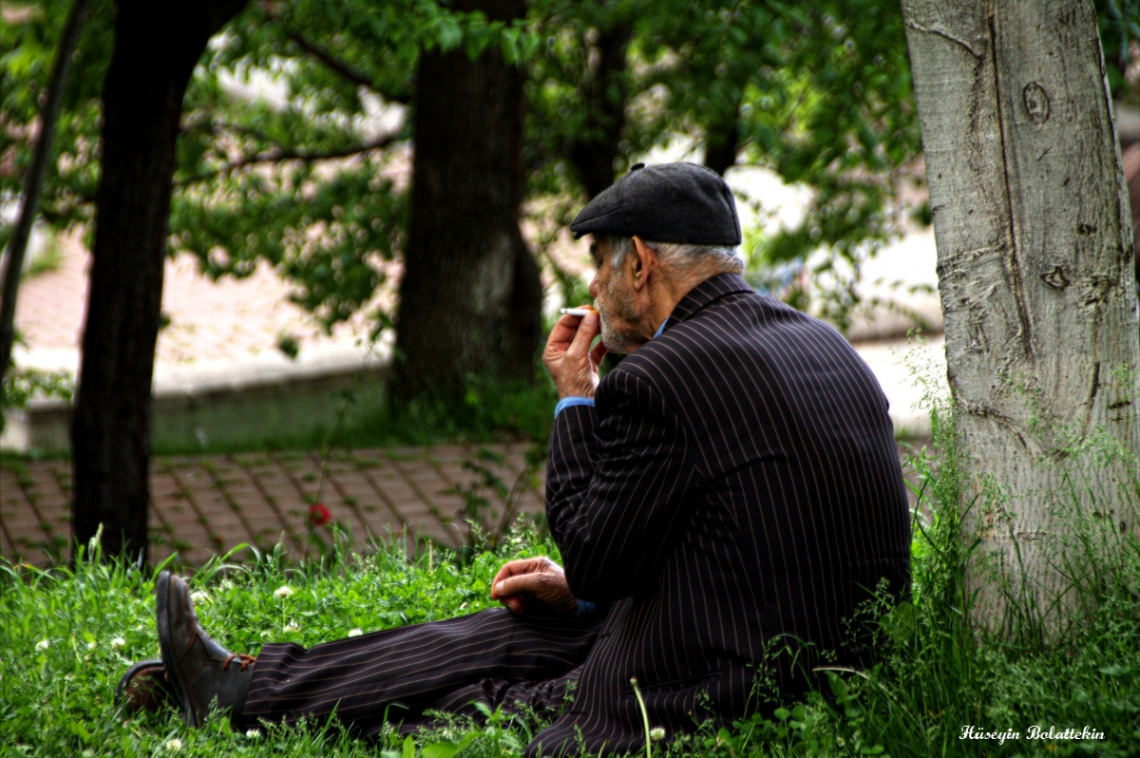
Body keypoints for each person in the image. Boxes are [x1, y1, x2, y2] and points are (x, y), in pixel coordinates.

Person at [117, 162, 911, 756]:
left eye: (601, 266)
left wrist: (576, 398)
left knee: (504, 676)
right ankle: (245, 684)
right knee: (536, 625)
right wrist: (586, 597)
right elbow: (728, 523)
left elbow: (594, 550)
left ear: (640, 263)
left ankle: (253, 697)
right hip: (825, 662)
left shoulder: (662, 377)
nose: (596, 290)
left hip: (713, 686)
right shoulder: (822, 342)